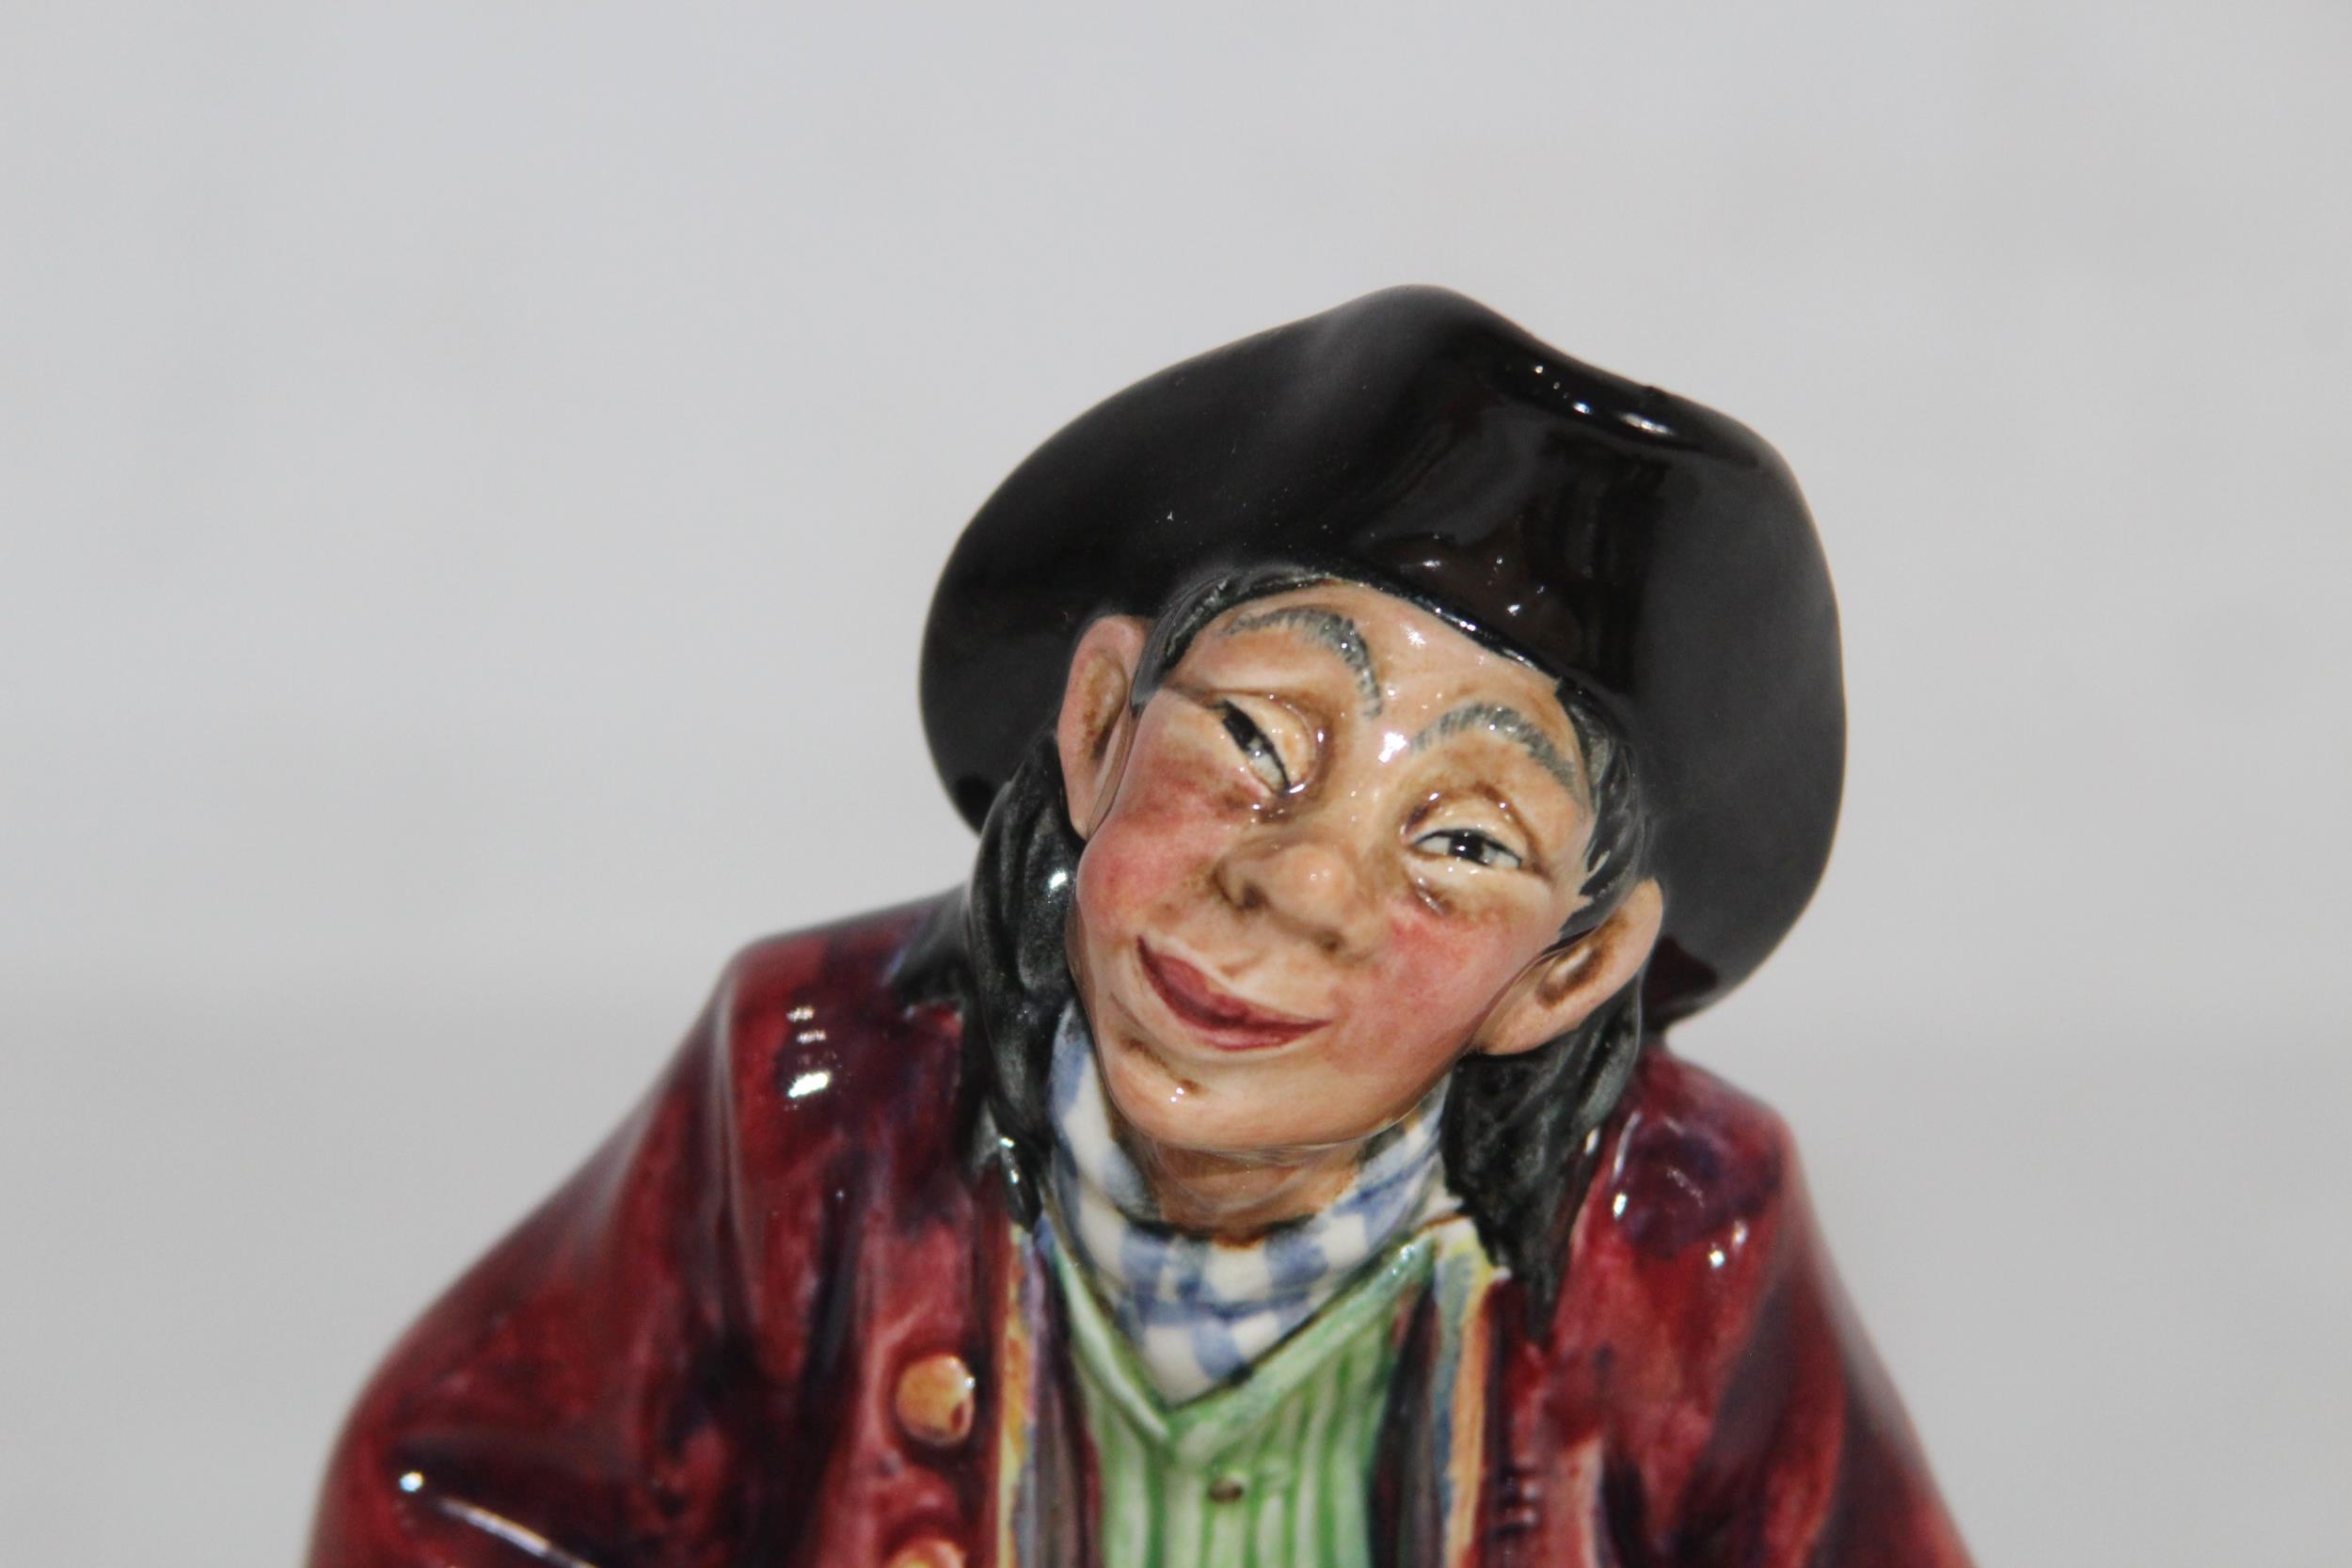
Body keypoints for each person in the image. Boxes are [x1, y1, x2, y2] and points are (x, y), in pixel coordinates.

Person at [309, 288, 1974, 1567]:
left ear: (1572, 967)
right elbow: (458, 1491)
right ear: (1100, 722)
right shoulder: (809, 1100)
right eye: (1254, 739)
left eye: (1462, 841)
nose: (1299, 885)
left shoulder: (1679, 1239)